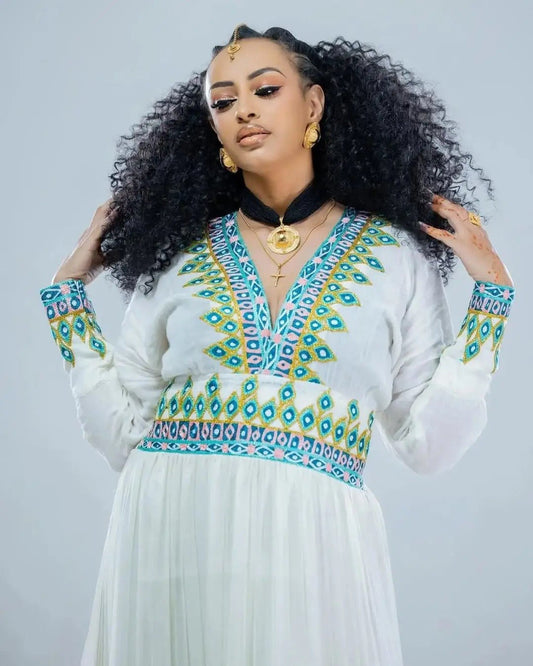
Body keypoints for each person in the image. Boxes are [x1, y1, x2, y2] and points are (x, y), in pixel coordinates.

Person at [39, 23, 515, 666]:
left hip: (314, 544)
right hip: (170, 531)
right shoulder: (179, 254)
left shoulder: (394, 255)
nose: (244, 110)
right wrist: (67, 297)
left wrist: (491, 301)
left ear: (313, 105)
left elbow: (429, 445)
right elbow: (123, 436)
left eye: (264, 89)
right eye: (223, 101)